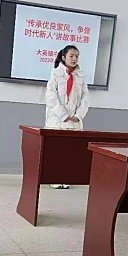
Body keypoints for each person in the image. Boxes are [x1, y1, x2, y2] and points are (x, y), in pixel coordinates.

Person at [45, 45, 89, 189]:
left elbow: (85, 98)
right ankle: (54, 178)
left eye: (77, 56)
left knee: (70, 152)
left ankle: (65, 178)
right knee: (56, 150)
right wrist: (63, 115)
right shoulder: (55, 74)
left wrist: (78, 115)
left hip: (74, 122)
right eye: (71, 56)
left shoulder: (81, 76)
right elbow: (50, 96)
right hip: (57, 120)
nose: (74, 59)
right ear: (64, 57)